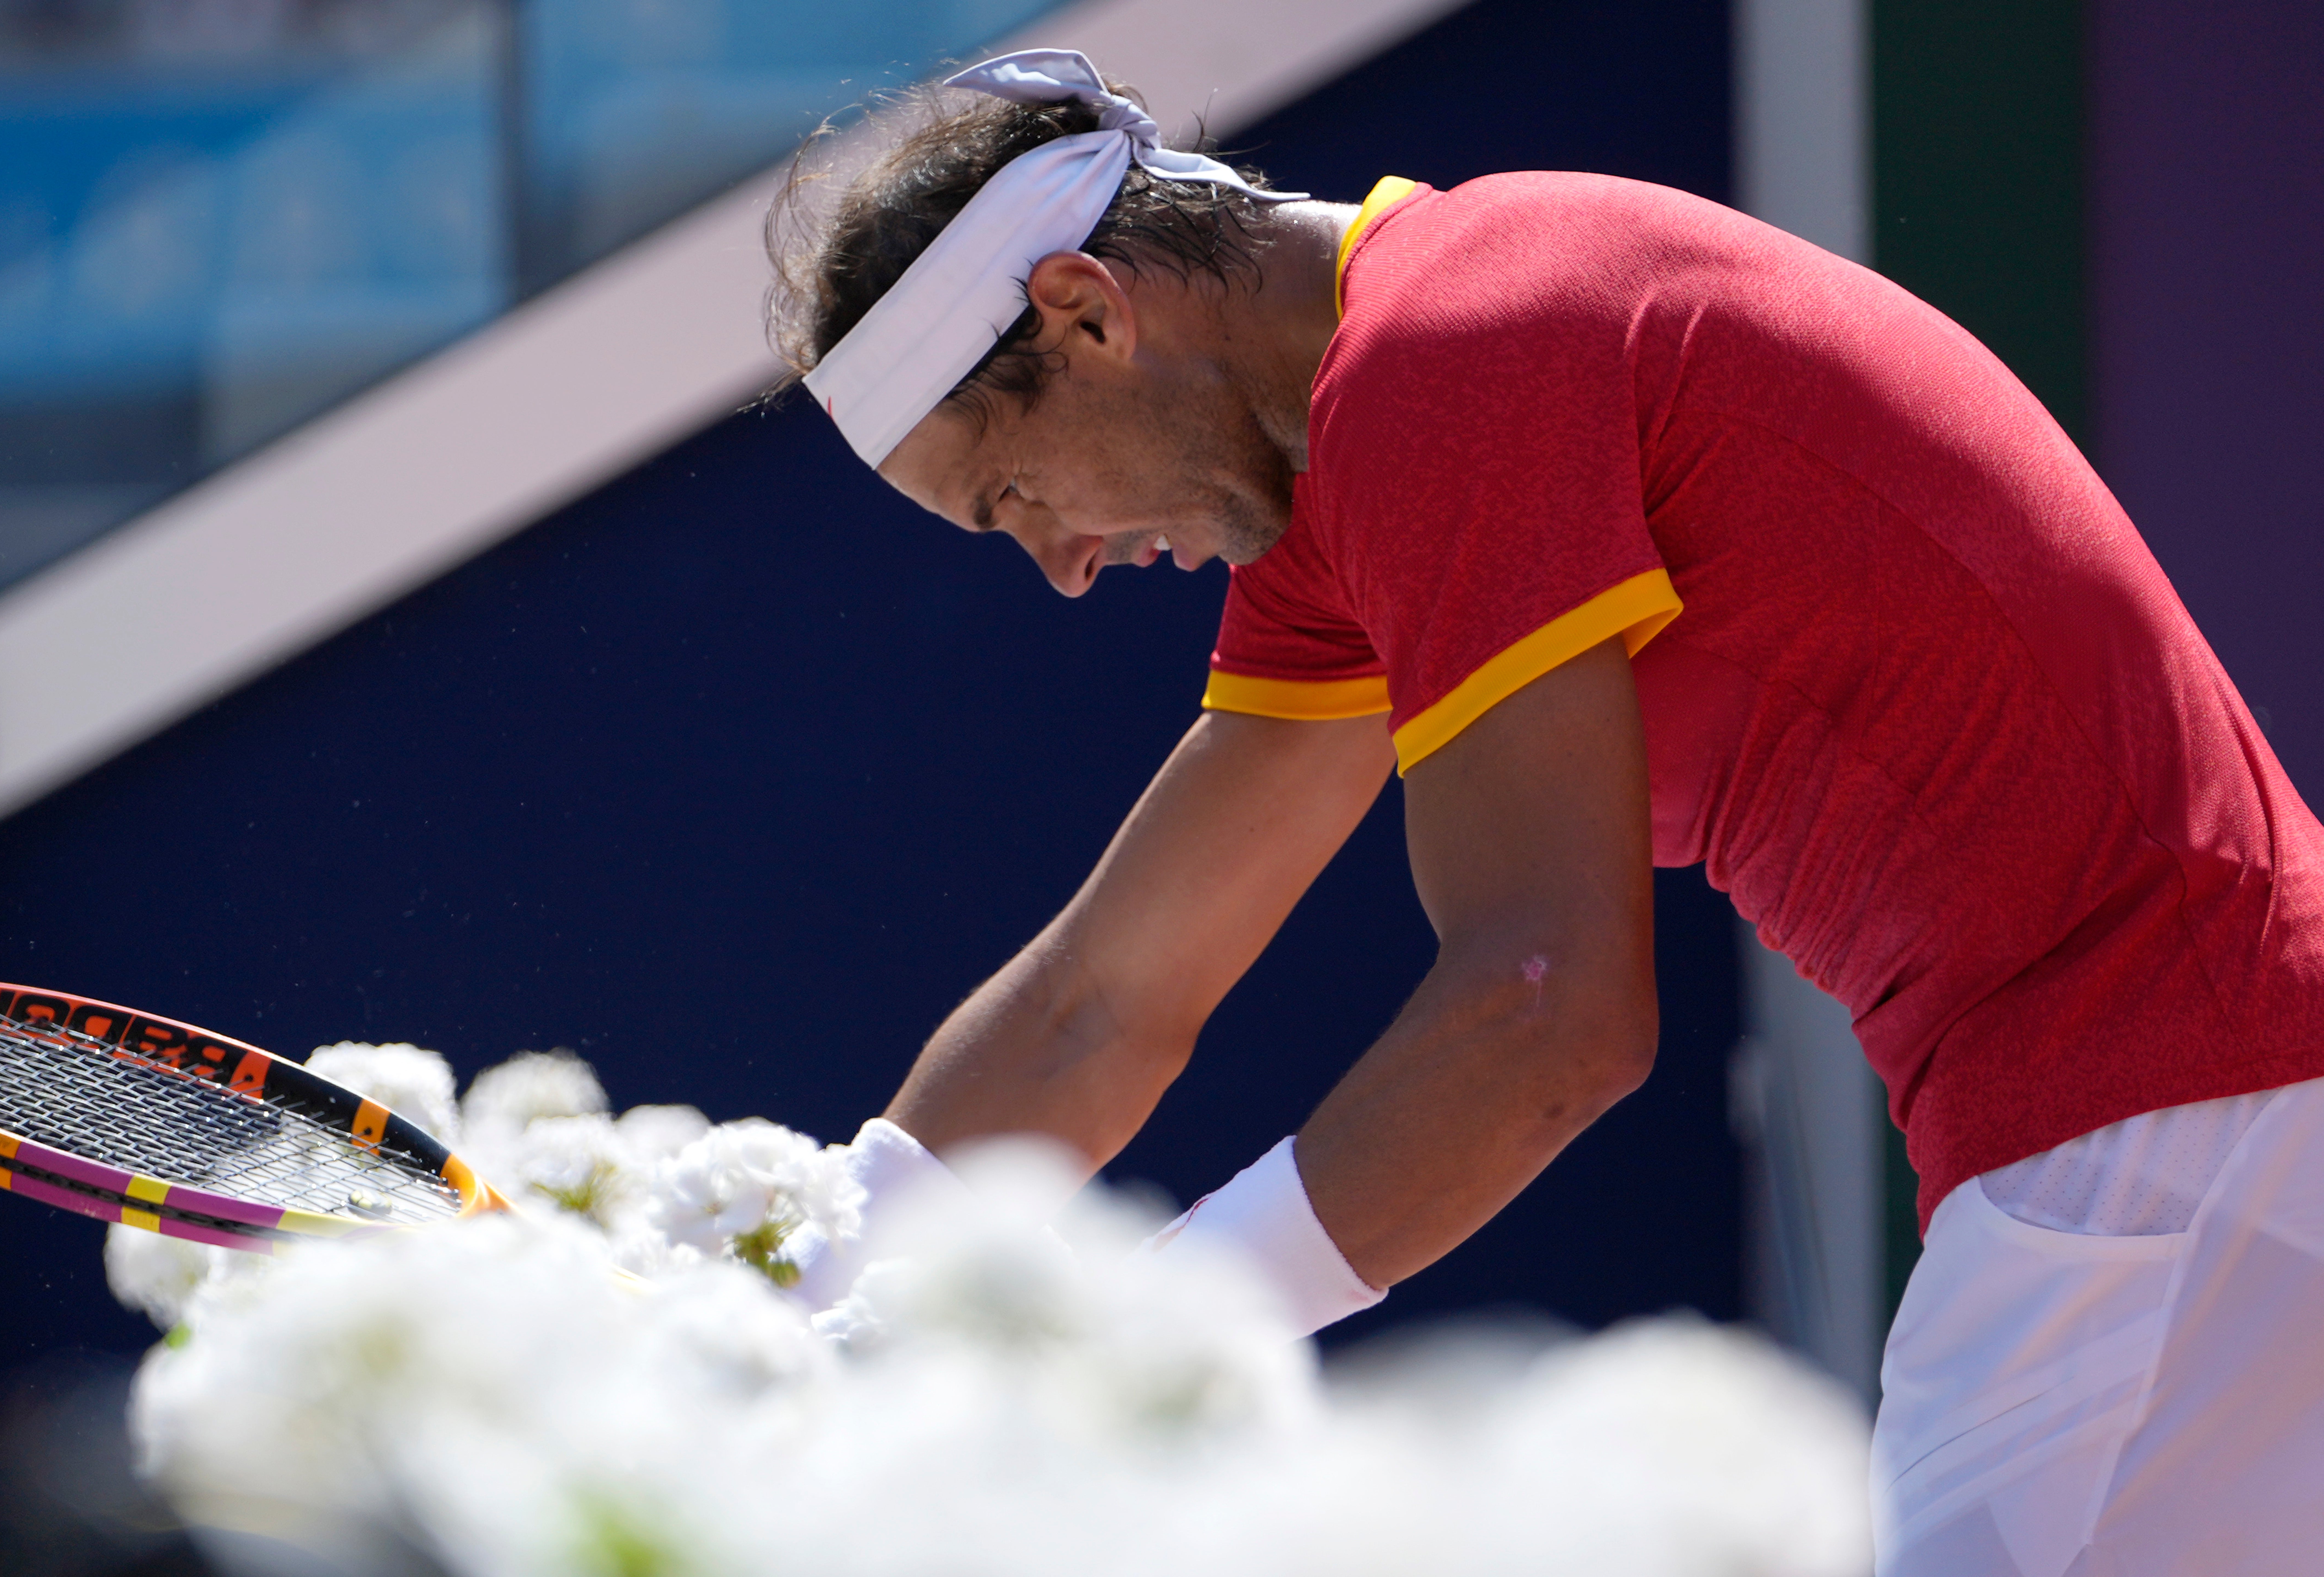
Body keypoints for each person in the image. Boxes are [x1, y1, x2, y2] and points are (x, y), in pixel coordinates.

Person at [765, 50, 2324, 1576]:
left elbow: (1548, 1017)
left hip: (2174, 1130)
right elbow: (1109, 999)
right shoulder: (1372, 430)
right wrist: (779, 1284)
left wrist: (1132, 1359)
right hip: (2197, 1124)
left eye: (1017, 496)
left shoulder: (1452, 359)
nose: (1063, 565)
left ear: (1088, 312)